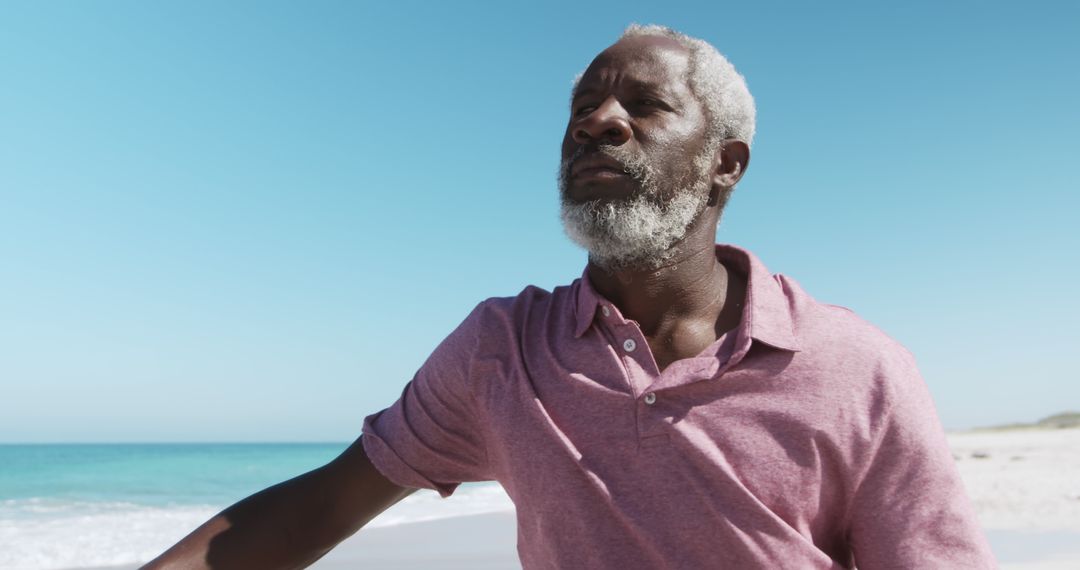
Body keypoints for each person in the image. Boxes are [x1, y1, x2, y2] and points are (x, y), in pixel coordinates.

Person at [146, 24, 996, 569]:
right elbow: (325, 503)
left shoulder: (856, 367)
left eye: (645, 105)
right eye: (583, 106)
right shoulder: (502, 350)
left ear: (725, 165)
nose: (598, 120)